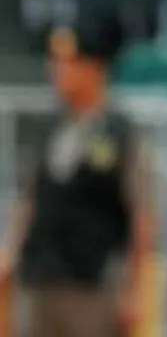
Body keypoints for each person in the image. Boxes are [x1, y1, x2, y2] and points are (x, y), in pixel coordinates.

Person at [0, 18, 154, 337]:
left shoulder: (120, 134)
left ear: (95, 68)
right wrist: (10, 255)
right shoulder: (51, 129)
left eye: (69, 63)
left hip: (92, 284)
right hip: (39, 276)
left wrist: (135, 291)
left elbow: (142, 217)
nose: (58, 72)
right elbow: (31, 200)